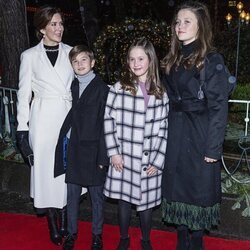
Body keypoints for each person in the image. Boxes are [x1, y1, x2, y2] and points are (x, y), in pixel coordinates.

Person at [161, 1, 230, 249]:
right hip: (175, 135)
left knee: (197, 194)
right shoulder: (173, 58)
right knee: (177, 193)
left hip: (200, 136)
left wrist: (213, 149)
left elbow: (219, 107)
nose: (180, 26)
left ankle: (196, 244)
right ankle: (182, 243)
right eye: (178, 21)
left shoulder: (211, 60)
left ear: (201, 26)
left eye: (187, 21)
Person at [16, 6, 76, 246]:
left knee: (64, 172)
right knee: (45, 173)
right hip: (41, 121)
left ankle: (64, 220)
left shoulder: (72, 52)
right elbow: (23, 95)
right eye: (53, 24)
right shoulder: (29, 56)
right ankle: (53, 222)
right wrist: (22, 128)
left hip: (66, 118)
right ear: (42, 28)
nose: (59, 28)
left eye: (60, 23)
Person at [104, 37, 169, 250]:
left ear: (151, 59)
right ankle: (124, 237)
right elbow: (108, 121)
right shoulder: (118, 88)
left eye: (141, 58)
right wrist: (113, 152)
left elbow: (163, 130)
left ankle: (146, 239)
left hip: (150, 159)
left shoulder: (161, 92)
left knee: (146, 205)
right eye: (132, 59)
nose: (136, 63)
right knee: (124, 201)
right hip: (125, 156)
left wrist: (158, 161)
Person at [54, 45, 109, 250]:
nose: (79, 64)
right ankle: (71, 233)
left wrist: (103, 158)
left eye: (83, 60)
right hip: (76, 150)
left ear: (93, 63)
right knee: (72, 197)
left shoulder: (103, 90)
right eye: (75, 61)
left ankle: (97, 236)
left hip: (94, 153)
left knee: (96, 199)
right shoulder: (73, 87)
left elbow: (107, 126)